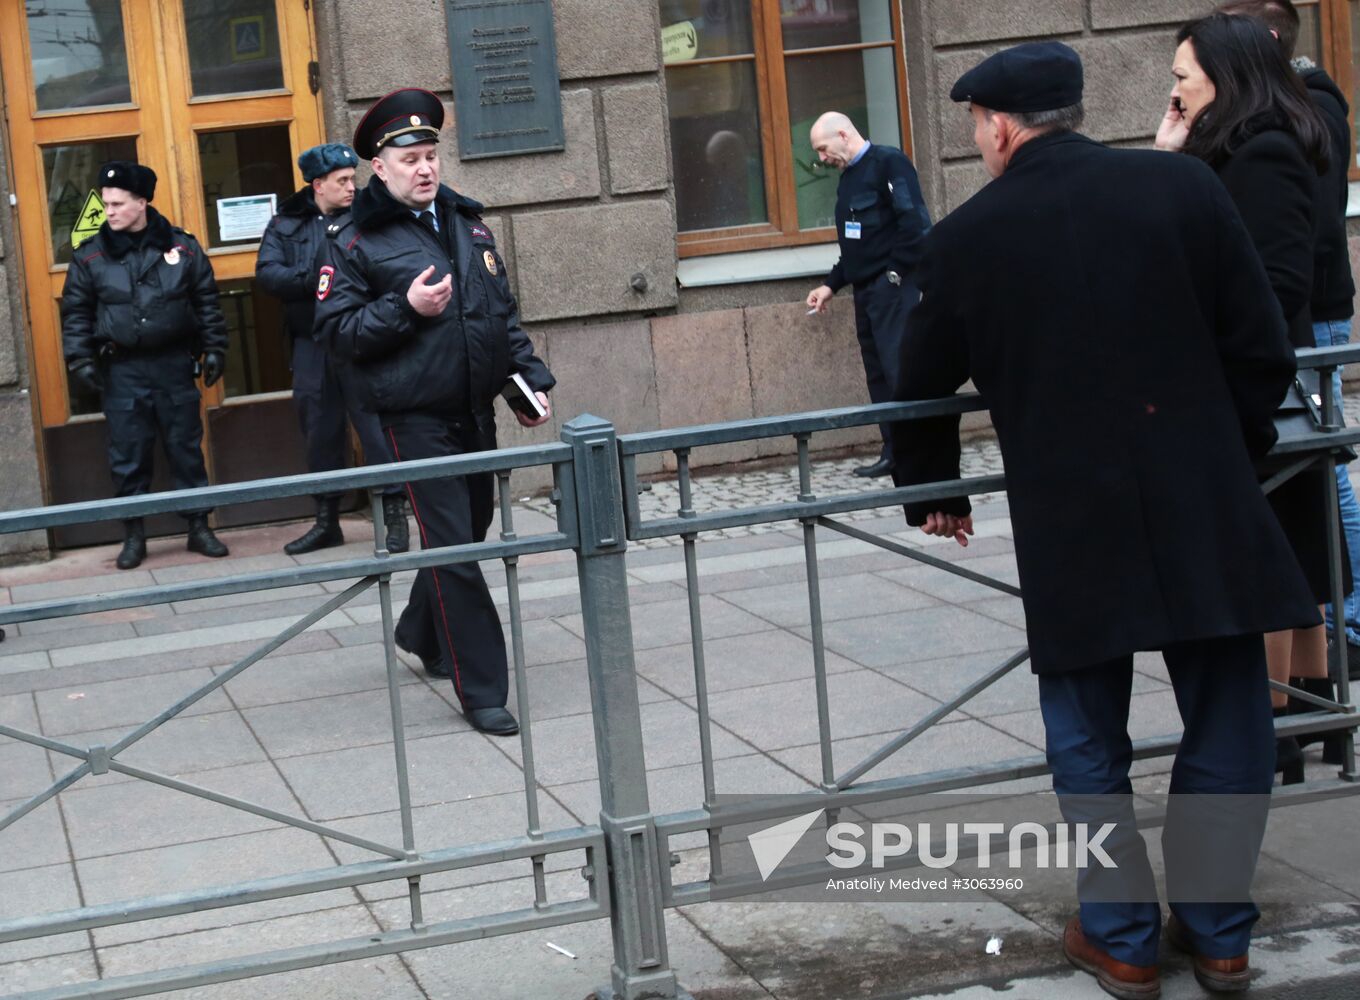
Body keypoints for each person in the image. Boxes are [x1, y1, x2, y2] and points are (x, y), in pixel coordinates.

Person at [891, 42, 1319, 998]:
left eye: (975, 126)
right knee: (1229, 713)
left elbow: (916, 387)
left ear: (999, 127)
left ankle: (1122, 937)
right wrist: (1226, 447)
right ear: (1071, 112)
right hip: (1204, 494)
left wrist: (936, 488)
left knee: (1087, 730)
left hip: (1070, 512)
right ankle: (1219, 935)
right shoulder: (1182, 192)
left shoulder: (965, 237)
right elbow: (1261, 343)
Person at [315, 89, 555, 737]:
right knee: (452, 547)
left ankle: (419, 630)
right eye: (411, 159)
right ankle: (483, 689)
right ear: (380, 168)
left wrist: (527, 382)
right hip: (409, 417)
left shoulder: (465, 223)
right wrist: (406, 310)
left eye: (431, 155)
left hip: (472, 410)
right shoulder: (354, 239)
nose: (425, 169)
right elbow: (337, 334)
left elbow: (497, 315)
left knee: (467, 529)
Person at [1155, 11, 1348, 783]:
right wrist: (1172, 154)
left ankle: (1282, 726)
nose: (1172, 93)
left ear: (1224, 79)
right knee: (1285, 557)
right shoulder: (1232, 143)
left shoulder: (1263, 151)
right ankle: (1307, 718)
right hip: (1253, 381)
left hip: (1257, 388)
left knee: (1269, 560)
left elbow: (1273, 284)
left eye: (1182, 79)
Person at [1218, 0, 1360, 691]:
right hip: (1301, 321)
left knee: (1321, 470)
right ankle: (1317, 681)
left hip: (1312, 322)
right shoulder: (1276, 122)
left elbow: (1294, 250)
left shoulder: (1294, 121)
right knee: (1309, 483)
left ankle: (1347, 629)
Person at [62, 161, 230, 570]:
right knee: (129, 455)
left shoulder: (183, 247)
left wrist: (215, 348)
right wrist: (80, 359)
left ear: (141, 202)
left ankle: (198, 526)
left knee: (185, 450)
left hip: (172, 365)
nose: (110, 211)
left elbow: (206, 300)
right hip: (122, 371)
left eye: (118, 203)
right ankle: (134, 535)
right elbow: (76, 313)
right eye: (106, 203)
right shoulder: (91, 256)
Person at [256, 142, 409, 556]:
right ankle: (327, 520)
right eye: (341, 181)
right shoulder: (286, 223)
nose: (350, 188)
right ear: (318, 185)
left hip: (358, 339)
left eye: (352, 179)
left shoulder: (366, 218)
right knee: (319, 431)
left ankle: (395, 517)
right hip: (312, 343)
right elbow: (268, 274)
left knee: (376, 429)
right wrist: (317, 277)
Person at [805, 112, 930, 478]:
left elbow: (915, 224)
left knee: (899, 373)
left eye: (824, 149)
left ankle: (916, 455)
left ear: (844, 134)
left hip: (892, 288)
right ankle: (893, 452)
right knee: (878, 375)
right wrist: (830, 285)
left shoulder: (889, 163)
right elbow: (857, 247)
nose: (823, 159)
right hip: (866, 292)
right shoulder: (848, 179)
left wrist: (894, 273)